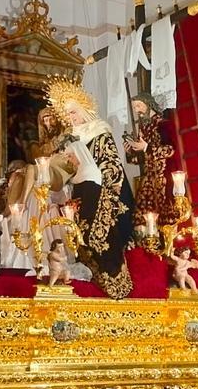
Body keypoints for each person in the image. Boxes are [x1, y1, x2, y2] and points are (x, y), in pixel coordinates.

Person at [46, 77, 134, 298]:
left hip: (99, 190)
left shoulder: (99, 131)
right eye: (66, 114)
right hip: (80, 191)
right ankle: (93, 281)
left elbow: (111, 165)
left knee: (100, 237)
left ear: (84, 109)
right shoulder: (69, 137)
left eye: (73, 112)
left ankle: (115, 285)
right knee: (80, 237)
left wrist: (109, 197)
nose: (70, 117)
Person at [124, 92, 176, 230]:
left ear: (148, 105)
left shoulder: (163, 124)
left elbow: (170, 150)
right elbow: (141, 159)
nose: (137, 111)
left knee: (165, 219)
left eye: (139, 106)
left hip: (163, 177)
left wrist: (146, 147)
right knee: (143, 218)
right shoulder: (144, 128)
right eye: (134, 107)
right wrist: (131, 151)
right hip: (149, 178)